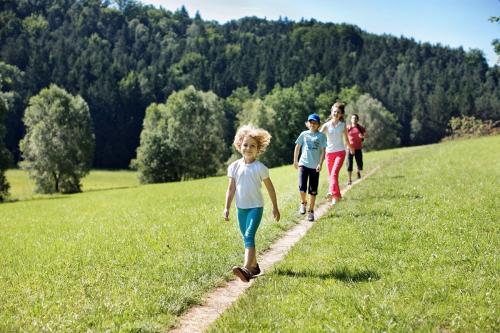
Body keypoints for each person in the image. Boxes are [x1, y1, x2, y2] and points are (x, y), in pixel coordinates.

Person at [224, 124, 280, 282]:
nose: (248, 148)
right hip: (240, 209)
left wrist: (275, 207)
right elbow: (230, 189)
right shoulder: (234, 167)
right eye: (245, 144)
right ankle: (254, 266)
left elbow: (270, 189)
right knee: (246, 238)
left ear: (258, 149)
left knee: (249, 235)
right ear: (239, 145)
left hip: (256, 207)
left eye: (252, 146)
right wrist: (226, 208)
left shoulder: (260, 168)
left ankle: (246, 270)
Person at [293, 113, 327, 221]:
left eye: (315, 122)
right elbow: (297, 147)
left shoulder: (321, 136)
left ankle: (311, 211)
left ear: (318, 124)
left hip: (314, 167)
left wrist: (320, 164)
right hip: (303, 164)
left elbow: (323, 151)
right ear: (308, 123)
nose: (312, 124)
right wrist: (295, 160)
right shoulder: (304, 134)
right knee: (302, 187)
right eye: (310, 122)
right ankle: (303, 202)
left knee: (312, 190)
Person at [320, 102, 353, 206]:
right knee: (332, 176)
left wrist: (351, 148)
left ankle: (331, 193)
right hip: (329, 154)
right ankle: (337, 197)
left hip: (340, 152)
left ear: (341, 114)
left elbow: (346, 139)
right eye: (334, 112)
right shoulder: (326, 125)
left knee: (334, 174)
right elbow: (318, 136)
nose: (335, 113)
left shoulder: (343, 126)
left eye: (338, 112)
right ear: (331, 112)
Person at [346, 113, 366, 185]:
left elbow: (364, 136)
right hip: (350, 148)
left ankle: (358, 171)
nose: (354, 119)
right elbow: (345, 137)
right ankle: (349, 179)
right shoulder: (348, 128)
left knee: (359, 163)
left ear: (357, 120)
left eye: (355, 118)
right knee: (349, 164)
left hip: (358, 148)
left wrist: (362, 137)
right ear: (351, 120)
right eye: (352, 118)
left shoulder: (360, 128)